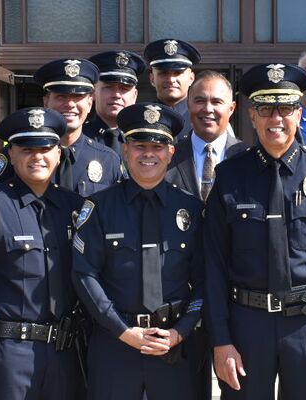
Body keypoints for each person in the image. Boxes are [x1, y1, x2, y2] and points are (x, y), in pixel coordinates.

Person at [205, 63, 306, 399]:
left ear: (299, 113)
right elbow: (213, 264)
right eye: (265, 109)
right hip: (246, 325)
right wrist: (221, 339)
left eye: (285, 108)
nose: (276, 119)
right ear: (252, 116)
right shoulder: (229, 176)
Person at [0, 107, 86, 399]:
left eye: (46, 148)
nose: (37, 156)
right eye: (27, 149)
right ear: (11, 155)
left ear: (59, 154)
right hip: (8, 353)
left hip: (65, 351)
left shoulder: (74, 207)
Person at [72, 103, 206, 399]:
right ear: (125, 150)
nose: (148, 154)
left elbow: (205, 279)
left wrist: (180, 331)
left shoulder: (191, 209)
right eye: (139, 145)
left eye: (158, 146)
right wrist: (122, 330)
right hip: (115, 344)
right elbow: (85, 275)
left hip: (173, 345)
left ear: (171, 152)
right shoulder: (99, 208)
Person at [34, 58, 124, 196]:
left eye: (78, 96)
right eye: (61, 96)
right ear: (46, 102)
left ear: (89, 103)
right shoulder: (24, 156)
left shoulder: (108, 159)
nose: (70, 104)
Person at [164, 70, 247, 199]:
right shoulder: (168, 159)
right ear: (188, 105)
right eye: (200, 101)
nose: (208, 109)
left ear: (231, 108)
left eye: (216, 102)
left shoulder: (247, 158)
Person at [84, 50, 146, 159]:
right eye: (108, 87)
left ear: (135, 95)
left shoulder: (144, 139)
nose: (116, 95)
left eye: (124, 88)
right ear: (93, 92)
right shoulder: (80, 137)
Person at [144, 38, 201, 132]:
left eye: (178, 73)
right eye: (163, 73)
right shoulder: (142, 118)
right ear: (152, 79)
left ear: (191, 78)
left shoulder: (203, 117)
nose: (171, 80)